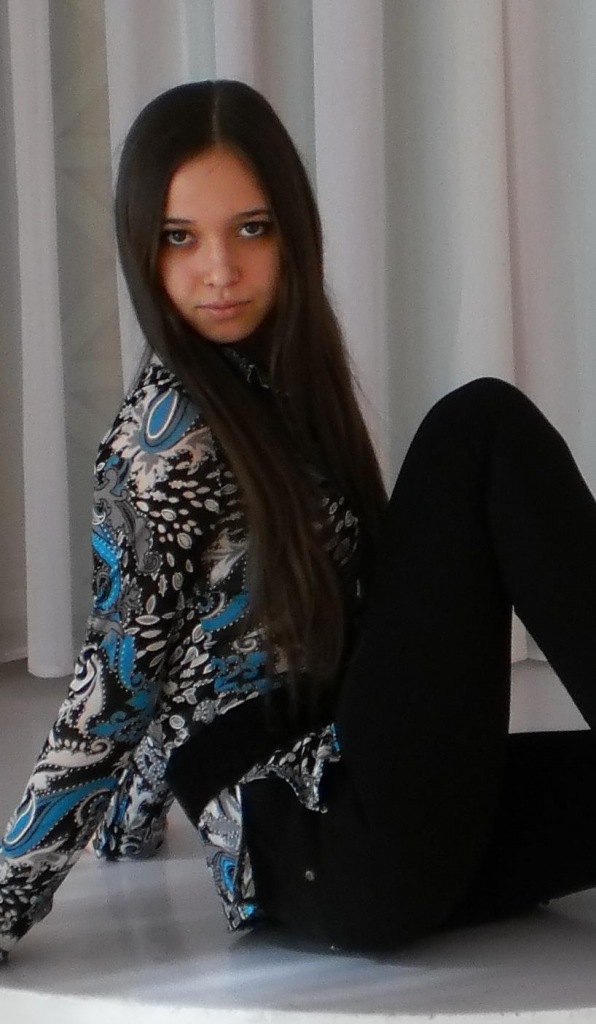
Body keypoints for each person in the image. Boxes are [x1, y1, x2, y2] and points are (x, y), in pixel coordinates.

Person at [3, 80, 596, 962]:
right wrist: (8, 897)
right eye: (179, 237)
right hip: (330, 842)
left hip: (377, 824)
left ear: (293, 233)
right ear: (140, 247)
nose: (220, 270)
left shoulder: (278, 388)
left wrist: (134, 826)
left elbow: (186, 640)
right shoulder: (162, 444)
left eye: (251, 228)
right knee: (480, 427)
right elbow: (116, 688)